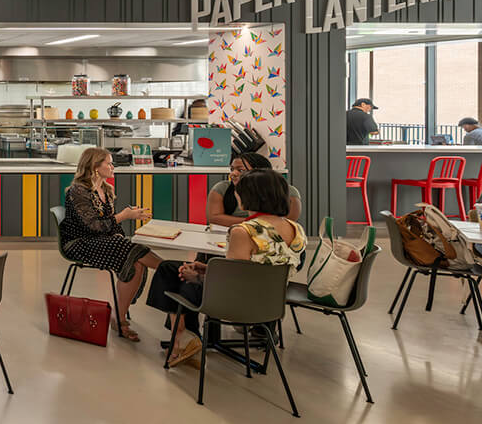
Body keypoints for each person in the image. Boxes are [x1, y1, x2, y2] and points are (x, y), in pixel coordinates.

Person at [147, 169, 306, 368]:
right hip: (271, 300)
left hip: (238, 302)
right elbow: (253, 267)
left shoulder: (244, 231)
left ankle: (183, 337)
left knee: (178, 276)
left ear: (250, 196)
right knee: (170, 268)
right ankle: (183, 337)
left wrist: (197, 276)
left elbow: (230, 283)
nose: (236, 194)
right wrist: (205, 268)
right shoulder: (295, 228)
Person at [59, 147, 158, 341]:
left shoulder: (106, 189)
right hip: (79, 243)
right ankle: (167, 268)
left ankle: (118, 317)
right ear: (95, 167)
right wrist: (125, 216)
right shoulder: (78, 191)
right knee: (133, 255)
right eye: (109, 163)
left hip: (99, 240)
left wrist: (120, 234)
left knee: (134, 259)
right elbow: (94, 226)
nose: (113, 166)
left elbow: (109, 228)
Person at [208, 151, 301, 225]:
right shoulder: (222, 188)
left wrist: (252, 225)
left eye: (240, 170)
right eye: (232, 169)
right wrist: (255, 224)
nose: (233, 174)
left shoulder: (288, 191)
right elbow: (214, 218)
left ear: (259, 172)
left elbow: (288, 221)